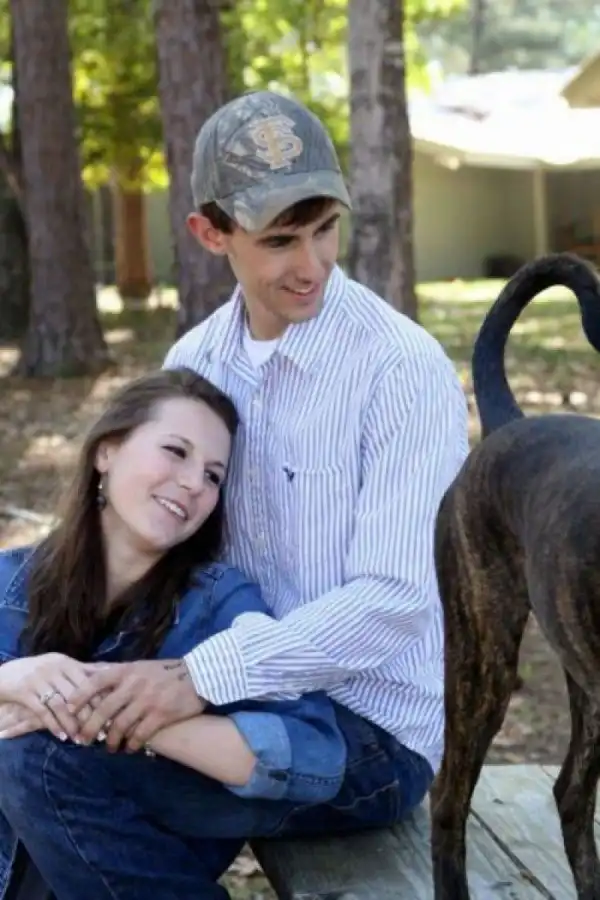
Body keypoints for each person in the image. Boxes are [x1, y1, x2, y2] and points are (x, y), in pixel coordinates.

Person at [1, 89, 470, 893]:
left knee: (41, 765)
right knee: (42, 753)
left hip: (366, 731)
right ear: (210, 233)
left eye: (325, 229)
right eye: (280, 239)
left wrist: (199, 679)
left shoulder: (401, 369)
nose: (312, 265)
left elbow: (394, 600)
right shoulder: (198, 360)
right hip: (205, 691)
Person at [0, 368, 348, 899]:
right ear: (107, 452)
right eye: (175, 451)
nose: (193, 484)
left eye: (213, 476)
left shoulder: (218, 602)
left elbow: (316, 756)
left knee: (30, 753)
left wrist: (125, 715)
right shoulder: (10, 581)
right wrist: (14, 679)